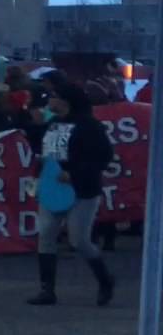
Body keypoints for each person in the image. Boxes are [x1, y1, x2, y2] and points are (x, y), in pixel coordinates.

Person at [27, 83, 116, 307]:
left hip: (82, 190)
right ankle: (47, 289)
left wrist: (75, 172)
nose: (49, 100)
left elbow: (104, 156)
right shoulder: (53, 123)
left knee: (79, 240)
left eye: (54, 96)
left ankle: (105, 280)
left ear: (66, 100)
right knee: (46, 235)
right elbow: (43, 150)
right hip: (52, 186)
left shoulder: (89, 126)